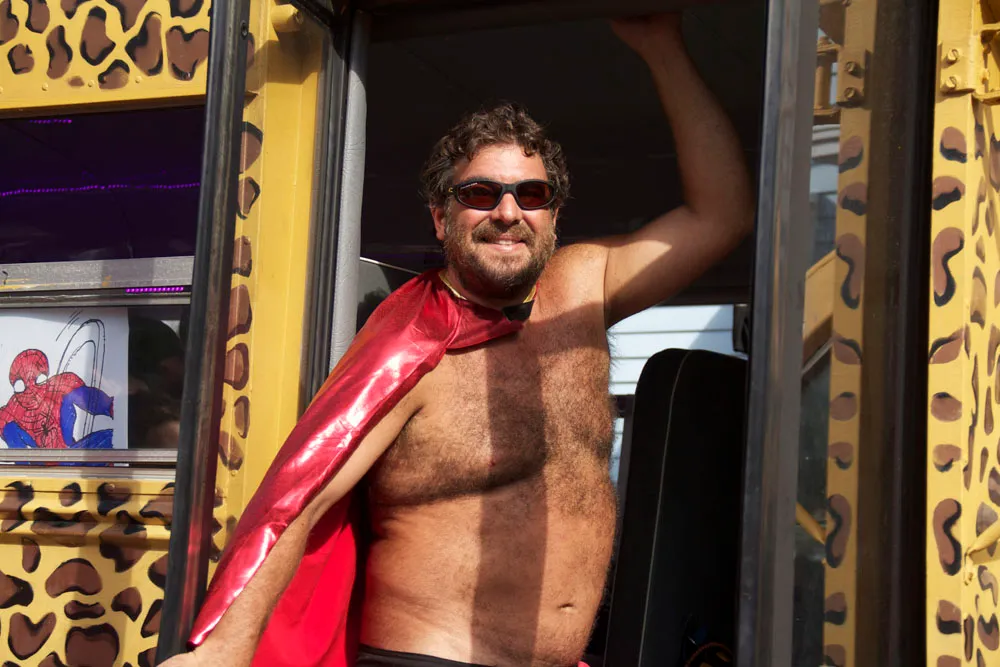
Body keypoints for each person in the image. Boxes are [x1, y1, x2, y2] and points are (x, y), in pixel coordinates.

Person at [164, 14, 753, 667]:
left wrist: (661, 44)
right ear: (442, 217)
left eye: (531, 194)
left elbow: (722, 215)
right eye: (481, 193)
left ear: (553, 216)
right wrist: (226, 649)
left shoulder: (584, 286)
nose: (508, 212)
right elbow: (303, 494)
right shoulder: (409, 344)